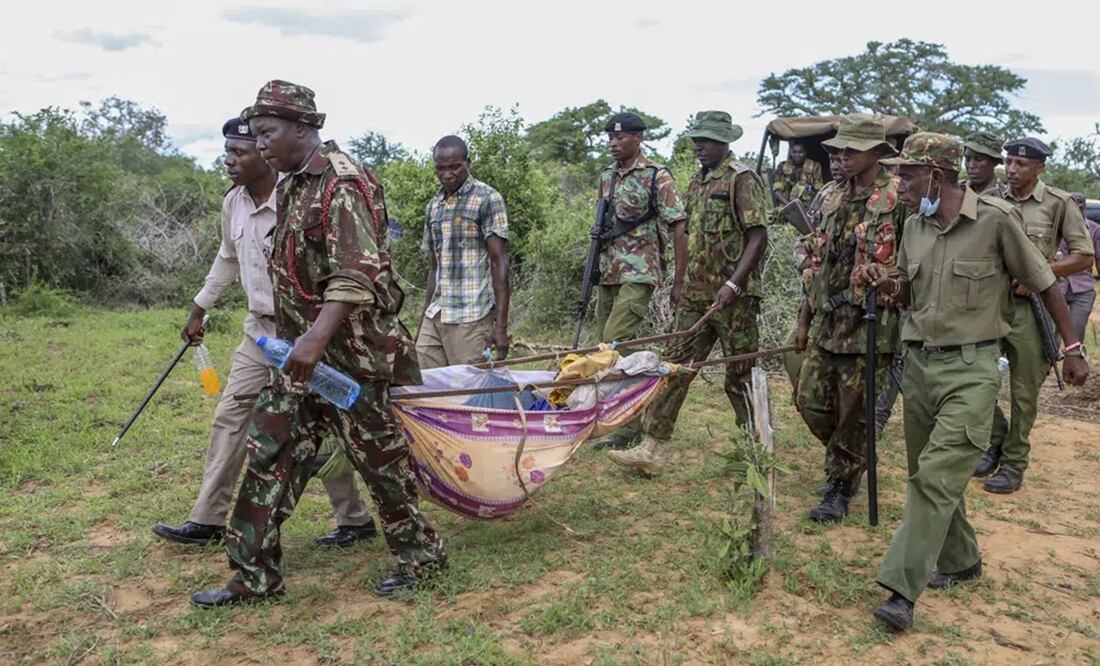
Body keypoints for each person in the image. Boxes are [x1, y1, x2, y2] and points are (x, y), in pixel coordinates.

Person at [191, 81, 445, 608]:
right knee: (269, 451)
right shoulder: (290, 187)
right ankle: (253, 576)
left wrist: (313, 339)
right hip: (300, 358)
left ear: (302, 129)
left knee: (381, 462)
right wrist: (293, 344)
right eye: (256, 135)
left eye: (267, 133)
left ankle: (421, 557)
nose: (260, 145)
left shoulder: (342, 184)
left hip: (352, 358)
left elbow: (357, 273)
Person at [860, 132, 1088, 632]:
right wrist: (887, 285)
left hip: (971, 370)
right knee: (933, 474)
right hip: (918, 367)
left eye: (907, 173)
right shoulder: (914, 225)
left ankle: (902, 589)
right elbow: (906, 289)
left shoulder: (995, 221)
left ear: (936, 176)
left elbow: (1047, 283)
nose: (898, 181)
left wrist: (1071, 349)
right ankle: (962, 560)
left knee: (935, 478)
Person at [152, 119, 376, 550]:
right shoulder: (233, 203)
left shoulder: (300, 197)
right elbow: (226, 257)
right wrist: (200, 307)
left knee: (324, 424)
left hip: (308, 333)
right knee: (231, 417)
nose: (229, 160)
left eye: (238, 151)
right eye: (227, 151)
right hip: (258, 334)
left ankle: (355, 520)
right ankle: (207, 519)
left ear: (262, 149)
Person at [607, 110, 768, 475]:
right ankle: (652, 448)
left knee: (740, 374)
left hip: (735, 298)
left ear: (725, 141)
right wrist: (679, 283)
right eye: (696, 139)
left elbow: (757, 235)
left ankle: (754, 451)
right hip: (697, 294)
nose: (700, 146)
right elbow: (688, 235)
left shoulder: (742, 179)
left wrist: (734, 283)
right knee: (675, 368)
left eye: (707, 140)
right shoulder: (697, 181)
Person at [793, 114, 907, 523]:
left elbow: (911, 264)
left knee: (856, 411)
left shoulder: (898, 199)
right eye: (839, 148)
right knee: (810, 403)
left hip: (870, 325)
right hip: (827, 319)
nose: (841, 155)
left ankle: (841, 484)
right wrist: (803, 319)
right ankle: (852, 458)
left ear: (876, 153)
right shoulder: (829, 196)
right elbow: (816, 262)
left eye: (851, 149)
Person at [973, 138, 1095, 492]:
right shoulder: (991, 199)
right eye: (1009, 162)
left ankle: (1013, 463)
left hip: (1033, 307)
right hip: (990, 303)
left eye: (1021, 164)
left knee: (1024, 393)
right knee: (976, 377)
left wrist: (1041, 273)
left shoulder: (1058, 203)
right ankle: (995, 440)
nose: (1012, 170)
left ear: (1040, 167)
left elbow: (1083, 256)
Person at [589, 112, 688, 451]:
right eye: (610, 138)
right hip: (609, 270)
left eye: (621, 137)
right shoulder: (606, 176)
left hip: (641, 270)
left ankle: (637, 406)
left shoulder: (656, 175)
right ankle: (625, 422)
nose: (614, 143)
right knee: (608, 347)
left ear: (638, 138)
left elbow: (678, 225)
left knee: (613, 341)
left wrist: (678, 280)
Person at [416, 135, 510, 368]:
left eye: (454, 167)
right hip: (437, 313)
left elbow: (499, 263)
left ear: (467, 163)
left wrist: (501, 327)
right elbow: (434, 267)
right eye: (440, 168)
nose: (447, 174)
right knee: (424, 384)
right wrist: (423, 316)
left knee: (468, 391)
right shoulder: (433, 205)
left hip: (471, 315)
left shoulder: (487, 198)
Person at [1057, 193, 1100, 343]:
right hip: (1056, 287)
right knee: (1050, 333)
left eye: (1080, 204)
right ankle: (1049, 364)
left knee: (1076, 332)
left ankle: (1074, 362)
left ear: (1085, 206)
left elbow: (1098, 259)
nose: (1077, 207)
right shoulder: (1055, 227)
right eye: (1073, 204)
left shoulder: (1094, 229)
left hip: (1083, 288)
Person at [773, 140, 825, 207]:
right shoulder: (783, 166)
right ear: (791, 153)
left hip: (808, 205)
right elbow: (777, 191)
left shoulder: (814, 166)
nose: (797, 155)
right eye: (794, 152)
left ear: (805, 153)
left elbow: (819, 190)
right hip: (786, 205)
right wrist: (789, 205)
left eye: (800, 152)